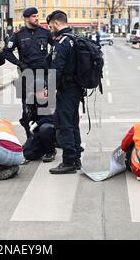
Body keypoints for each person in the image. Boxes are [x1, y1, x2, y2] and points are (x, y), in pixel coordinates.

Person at [2, 7, 54, 138]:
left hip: (43, 75)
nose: (37, 18)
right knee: (27, 111)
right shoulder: (19, 35)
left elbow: (56, 47)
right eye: (33, 16)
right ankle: (31, 139)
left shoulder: (45, 32)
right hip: (27, 77)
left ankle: (49, 141)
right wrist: (20, 64)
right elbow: (6, 52)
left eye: (37, 16)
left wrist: (50, 61)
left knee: (45, 108)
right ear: (26, 18)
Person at [45, 10, 83, 174]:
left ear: (56, 23)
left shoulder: (62, 42)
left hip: (66, 90)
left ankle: (68, 161)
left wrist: (49, 88)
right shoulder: (74, 39)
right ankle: (76, 159)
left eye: (50, 25)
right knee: (73, 123)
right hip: (75, 89)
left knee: (64, 124)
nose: (50, 29)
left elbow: (57, 69)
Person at [22, 79, 56, 163]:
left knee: (45, 128)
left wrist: (37, 123)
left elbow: (52, 117)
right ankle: (42, 148)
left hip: (53, 128)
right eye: (41, 91)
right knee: (27, 153)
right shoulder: (30, 99)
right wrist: (30, 121)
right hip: (38, 131)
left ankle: (51, 151)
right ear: (34, 93)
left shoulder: (52, 97)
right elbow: (26, 117)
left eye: (45, 89)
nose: (44, 92)